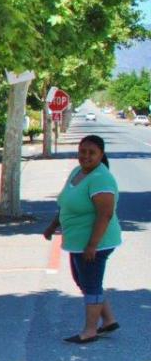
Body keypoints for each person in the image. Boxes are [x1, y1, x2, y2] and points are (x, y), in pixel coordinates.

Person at [42, 134, 121, 344]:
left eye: (92, 153)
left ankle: (89, 331)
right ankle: (109, 320)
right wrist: (52, 226)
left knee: (90, 284)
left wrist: (92, 245)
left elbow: (105, 214)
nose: (86, 156)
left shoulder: (101, 178)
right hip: (77, 241)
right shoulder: (78, 172)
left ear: (101, 155)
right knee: (84, 281)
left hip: (96, 242)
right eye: (82, 151)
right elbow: (66, 203)